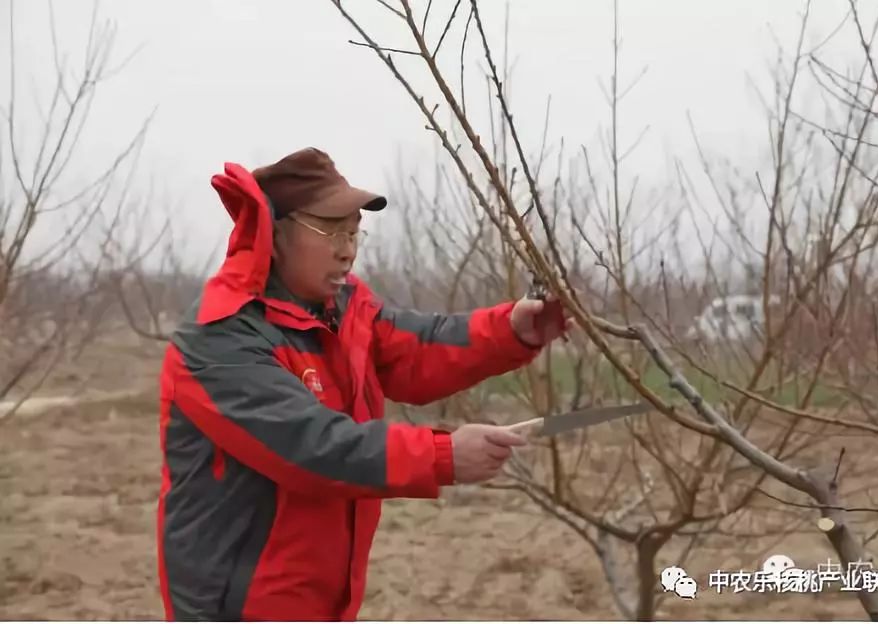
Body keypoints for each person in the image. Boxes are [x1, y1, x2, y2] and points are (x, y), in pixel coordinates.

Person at [156, 147, 570, 621]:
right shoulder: (221, 336)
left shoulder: (345, 309)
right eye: (331, 230)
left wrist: (513, 330)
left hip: (322, 598)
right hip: (236, 606)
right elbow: (311, 447)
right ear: (273, 234)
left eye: (354, 232)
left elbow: (419, 349)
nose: (346, 249)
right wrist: (443, 455)